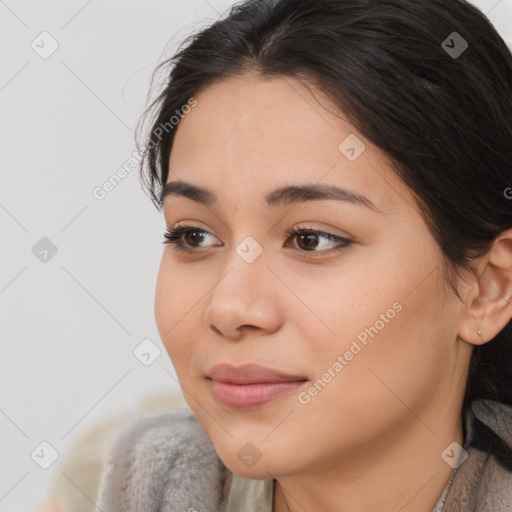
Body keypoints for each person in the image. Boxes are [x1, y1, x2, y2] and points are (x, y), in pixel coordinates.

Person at [95, 0, 512, 510]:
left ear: (489, 288)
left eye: (311, 238)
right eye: (194, 236)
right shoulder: (125, 481)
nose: (228, 309)